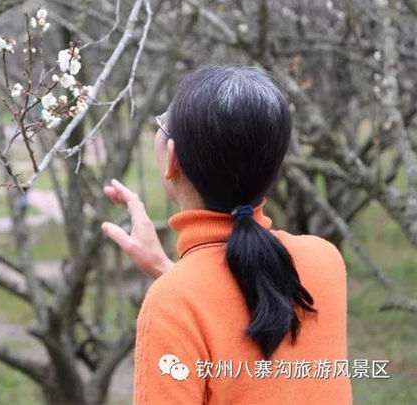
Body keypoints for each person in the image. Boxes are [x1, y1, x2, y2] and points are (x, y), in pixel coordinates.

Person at [101, 65, 352, 404]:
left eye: (162, 124)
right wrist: (166, 269)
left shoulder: (171, 305)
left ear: (172, 159)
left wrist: (176, 285)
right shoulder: (324, 261)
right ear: (276, 169)